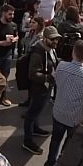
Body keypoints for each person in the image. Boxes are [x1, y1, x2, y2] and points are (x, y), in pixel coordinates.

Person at [45, 40, 83, 166]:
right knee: (69, 144)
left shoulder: (62, 66)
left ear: (74, 51)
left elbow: (56, 81)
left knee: (55, 140)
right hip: (76, 117)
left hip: (59, 112)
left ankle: (50, 164)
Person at [22, 26, 60, 155]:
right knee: (31, 114)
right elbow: (32, 74)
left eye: (57, 39)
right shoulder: (38, 53)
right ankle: (27, 141)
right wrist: (48, 77)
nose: (55, 42)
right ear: (45, 39)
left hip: (46, 87)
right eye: (52, 39)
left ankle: (35, 128)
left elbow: (53, 62)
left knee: (37, 110)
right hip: (39, 88)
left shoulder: (50, 49)